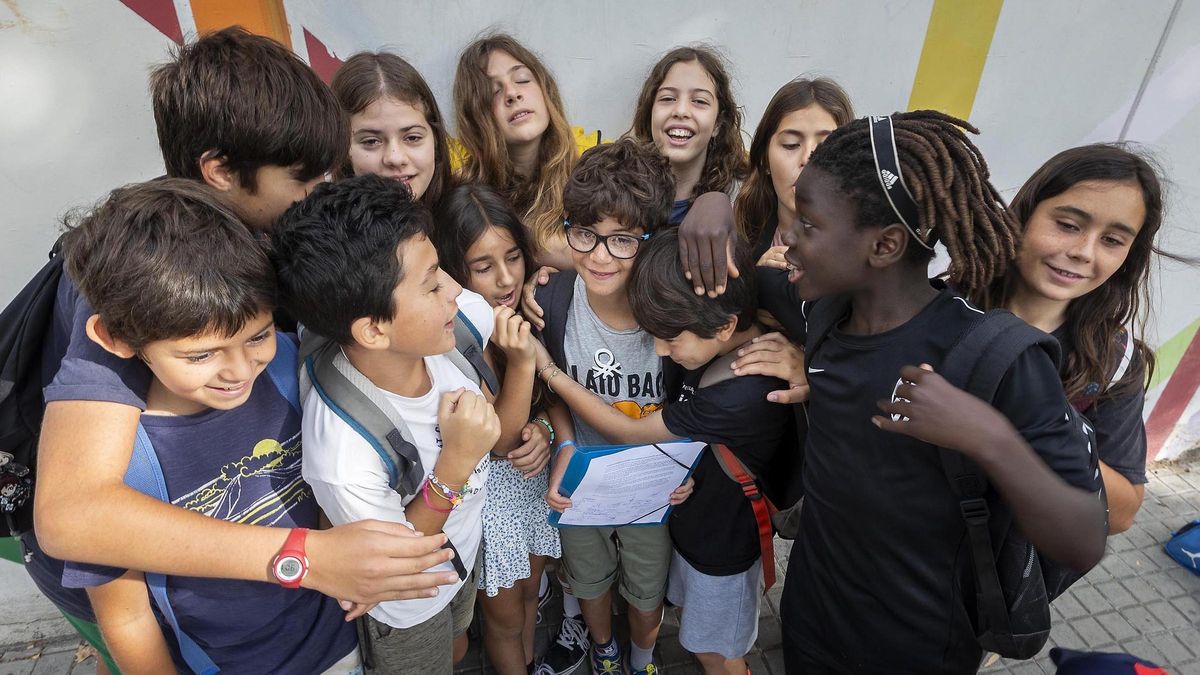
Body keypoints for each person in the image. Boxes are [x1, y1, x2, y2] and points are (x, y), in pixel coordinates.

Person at [28, 27, 457, 668]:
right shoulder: (138, 276)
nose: (319, 192)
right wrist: (306, 558)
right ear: (221, 172)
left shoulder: (262, 230)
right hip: (206, 623)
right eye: (304, 179)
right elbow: (72, 514)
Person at [772, 111, 1107, 673]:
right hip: (808, 619)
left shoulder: (995, 358)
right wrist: (708, 208)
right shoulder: (827, 312)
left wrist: (988, 438)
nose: (787, 236)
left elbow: (1082, 540)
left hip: (916, 649)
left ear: (884, 246)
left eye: (807, 223)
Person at [55, 179, 360, 674]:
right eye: (201, 354)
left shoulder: (289, 365)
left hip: (341, 641)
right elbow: (128, 619)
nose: (239, 370)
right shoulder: (116, 463)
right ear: (117, 339)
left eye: (257, 335)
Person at [273, 174, 502, 674]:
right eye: (432, 283)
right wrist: (456, 464)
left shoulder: (458, 323)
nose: (454, 291)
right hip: (405, 605)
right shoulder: (343, 453)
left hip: (460, 556)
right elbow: (395, 564)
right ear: (373, 329)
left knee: (459, 639)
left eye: (440, 269)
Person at [534, 230, 789, 675]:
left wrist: (550, 371)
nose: (659, 350)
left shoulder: (740, 393)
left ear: (725, 327)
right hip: (691, 522)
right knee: (695, 632)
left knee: (715, 651)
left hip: (723, 551)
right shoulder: (721, 324)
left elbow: (631, 429)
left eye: (671, 340)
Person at [534, 139, 679, 675]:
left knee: (647, 590)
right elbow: (551, 394)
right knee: (588, 578)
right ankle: (605, 651)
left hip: (652, 485)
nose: (599, 255)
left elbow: (692, 399)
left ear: (650, 240)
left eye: (622, 240)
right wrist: (566, 442)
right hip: (580, 485)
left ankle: (643, 656)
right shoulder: (553, 300)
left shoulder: (669, 310)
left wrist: (685, 467)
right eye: (587, 234)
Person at [975, 144, 1172, 535]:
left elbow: (1121, 514)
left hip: (980, 574)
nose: (1083, 252)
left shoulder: (1114, 362)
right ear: (1026, 214)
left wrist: (1037, 424)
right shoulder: (944, 304)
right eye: (1068, 225)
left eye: (1112, 240)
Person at [433, 184, 567, 674]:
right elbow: (499, 440)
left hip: (528, 488)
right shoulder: (456, 338)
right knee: (504, 618)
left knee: (532, 594)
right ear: (452, 268)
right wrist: (522, 361)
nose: (506, 277)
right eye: (483, 266)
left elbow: (546, 406)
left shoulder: (522, 310)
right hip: (487, 503)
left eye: (513, 257)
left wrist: (546, 431)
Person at [730, 77, 855, 406]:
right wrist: (752, 285)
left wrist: (810, 369)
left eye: (827, 146)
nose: (808, 159)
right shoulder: (741, 227)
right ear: (764, 161)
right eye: (790, 144)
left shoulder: (869, 249)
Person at [453, 33, 599, 269]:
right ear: (475, 116)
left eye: (522, 79)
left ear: (545, 90)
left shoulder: (593, 161)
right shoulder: (461, 182)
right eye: (493, 91)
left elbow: (613, 253)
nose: (512, 94)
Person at [628, 46, 748, 226]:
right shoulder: (619, 190)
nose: (681, 111)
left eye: (699, 101)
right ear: (649, 113)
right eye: (668, 98)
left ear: (718, 123)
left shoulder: (743, 200)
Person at [331, 51, 452, 210]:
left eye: (412, 138)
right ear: (343, 148)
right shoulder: (319, 232)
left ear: (435, 137)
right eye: (371, 141)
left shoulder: (475, 221)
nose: (395, 158)